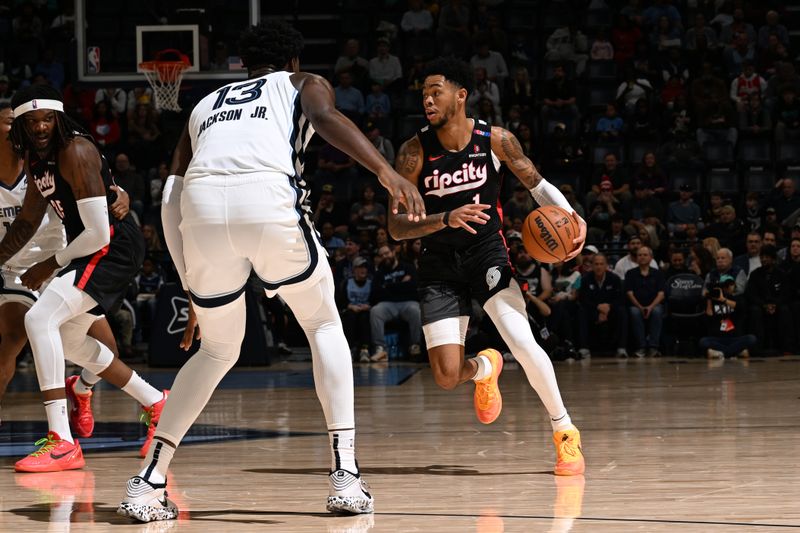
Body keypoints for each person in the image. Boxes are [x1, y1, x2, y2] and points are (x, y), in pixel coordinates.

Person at [116, 21, 426, 522]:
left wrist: (191, 287)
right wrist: (386, 172)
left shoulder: (205, 105)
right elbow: (325, 120)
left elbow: (170, 194)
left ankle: (148, 482)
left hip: (199, 212)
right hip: (265, 199)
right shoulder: (302, 84)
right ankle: (345, 477)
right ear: (295, 61)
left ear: (242, 64)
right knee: (323, 323)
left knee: (217, 350)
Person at [389, 58, 587, 477]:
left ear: (461, 95)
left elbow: (535, 184)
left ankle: (564, 432)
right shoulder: (413, 152)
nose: (427, 98)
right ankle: (484, 367)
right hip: (438, 264)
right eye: (423, 92)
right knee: (445, 377)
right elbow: (395, 227)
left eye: (436, 90)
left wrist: (571, 218)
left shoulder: (495, 140)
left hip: (487, 253)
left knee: (521, 338)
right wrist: (446, 218)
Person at [0, 85, 168, 472]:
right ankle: (157, 402)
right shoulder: (37, 161)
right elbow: (26, 221)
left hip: (111, 247)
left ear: (58, 118)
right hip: (89, 247)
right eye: (31, 120)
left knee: (39, 319)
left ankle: (61, 441)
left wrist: (49, 264)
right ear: (21, 127)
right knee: (69, 339)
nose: (40, 127)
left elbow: (99, 233)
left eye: (47, 119)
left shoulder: (74, 151)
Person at [0, 103, 130, 430]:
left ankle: (81, 390)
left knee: (108, 348)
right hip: (14, 270)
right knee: (14, 336)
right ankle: (51, 430)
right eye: (10, 122)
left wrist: (121, 194)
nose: (25, 128)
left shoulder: (49, 160)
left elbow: (98, 187)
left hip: (61, 258)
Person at [368, 245, 421, 361]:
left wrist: (387, 287)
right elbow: (375, 293)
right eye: (381, 255)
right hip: (388, 305)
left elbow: (413, 288)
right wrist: (401, 285)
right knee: (375, 311)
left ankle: (415, 346)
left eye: (386, 253)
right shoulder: (380, 273)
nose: (384, 257)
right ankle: (380, 349)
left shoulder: (408, 267)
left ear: (393, 252)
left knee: (415, 310)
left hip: (408, 303)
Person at [577, 253, 628, 359]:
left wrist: (608, 307)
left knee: (622, 311)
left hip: (611, 310)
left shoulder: (614, 279)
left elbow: (619, 298)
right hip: (593, 310)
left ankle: (621, 348)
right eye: (596, 264)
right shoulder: (586, 279)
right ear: (592, 266)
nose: (599, 266)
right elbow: (583, 299)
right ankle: (584, 348)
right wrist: (598, 308)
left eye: (601, 264)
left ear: (606, 266)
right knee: (582, 311)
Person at [700, 274, 756, 359]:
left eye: (731, 285)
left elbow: (740, 307)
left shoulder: (738, 298)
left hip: (735, 338)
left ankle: (721, 353)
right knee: (703, 341)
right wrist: (709, 298)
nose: (729, 287)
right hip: (717, 338)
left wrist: (723, 299)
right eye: (726, 285)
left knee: (752, 338)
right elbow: (709, 316)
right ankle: (736, 352)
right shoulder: (712, 299)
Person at [624, 246, 666, 357]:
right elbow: (629, 293)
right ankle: (641, 347)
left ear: (651, 257)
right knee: (634, 312)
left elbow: (661, 294)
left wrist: (650, 307)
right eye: (639, 255)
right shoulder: (630, 273)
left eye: (645, 255)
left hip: (654, 304)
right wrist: (640, 307)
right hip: (636, 305)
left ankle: (653, 347)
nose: (642, 257)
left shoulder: (658, 273)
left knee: (657, 311)